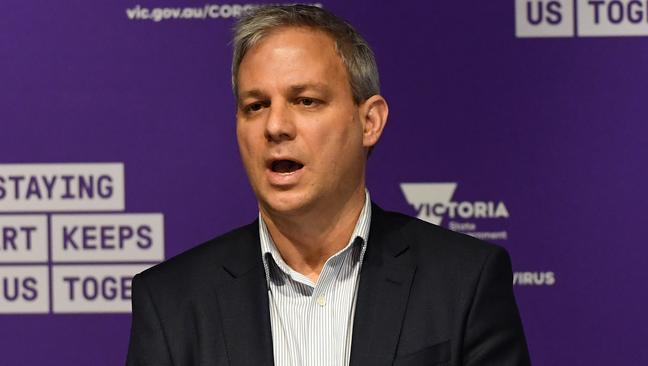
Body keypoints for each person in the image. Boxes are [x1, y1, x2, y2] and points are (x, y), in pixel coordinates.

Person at [126, 4, 531, 366]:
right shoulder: (172, 303)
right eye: (256, 106)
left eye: (306, 101)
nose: (276, 126)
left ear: (368, 122)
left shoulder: (463, 282)